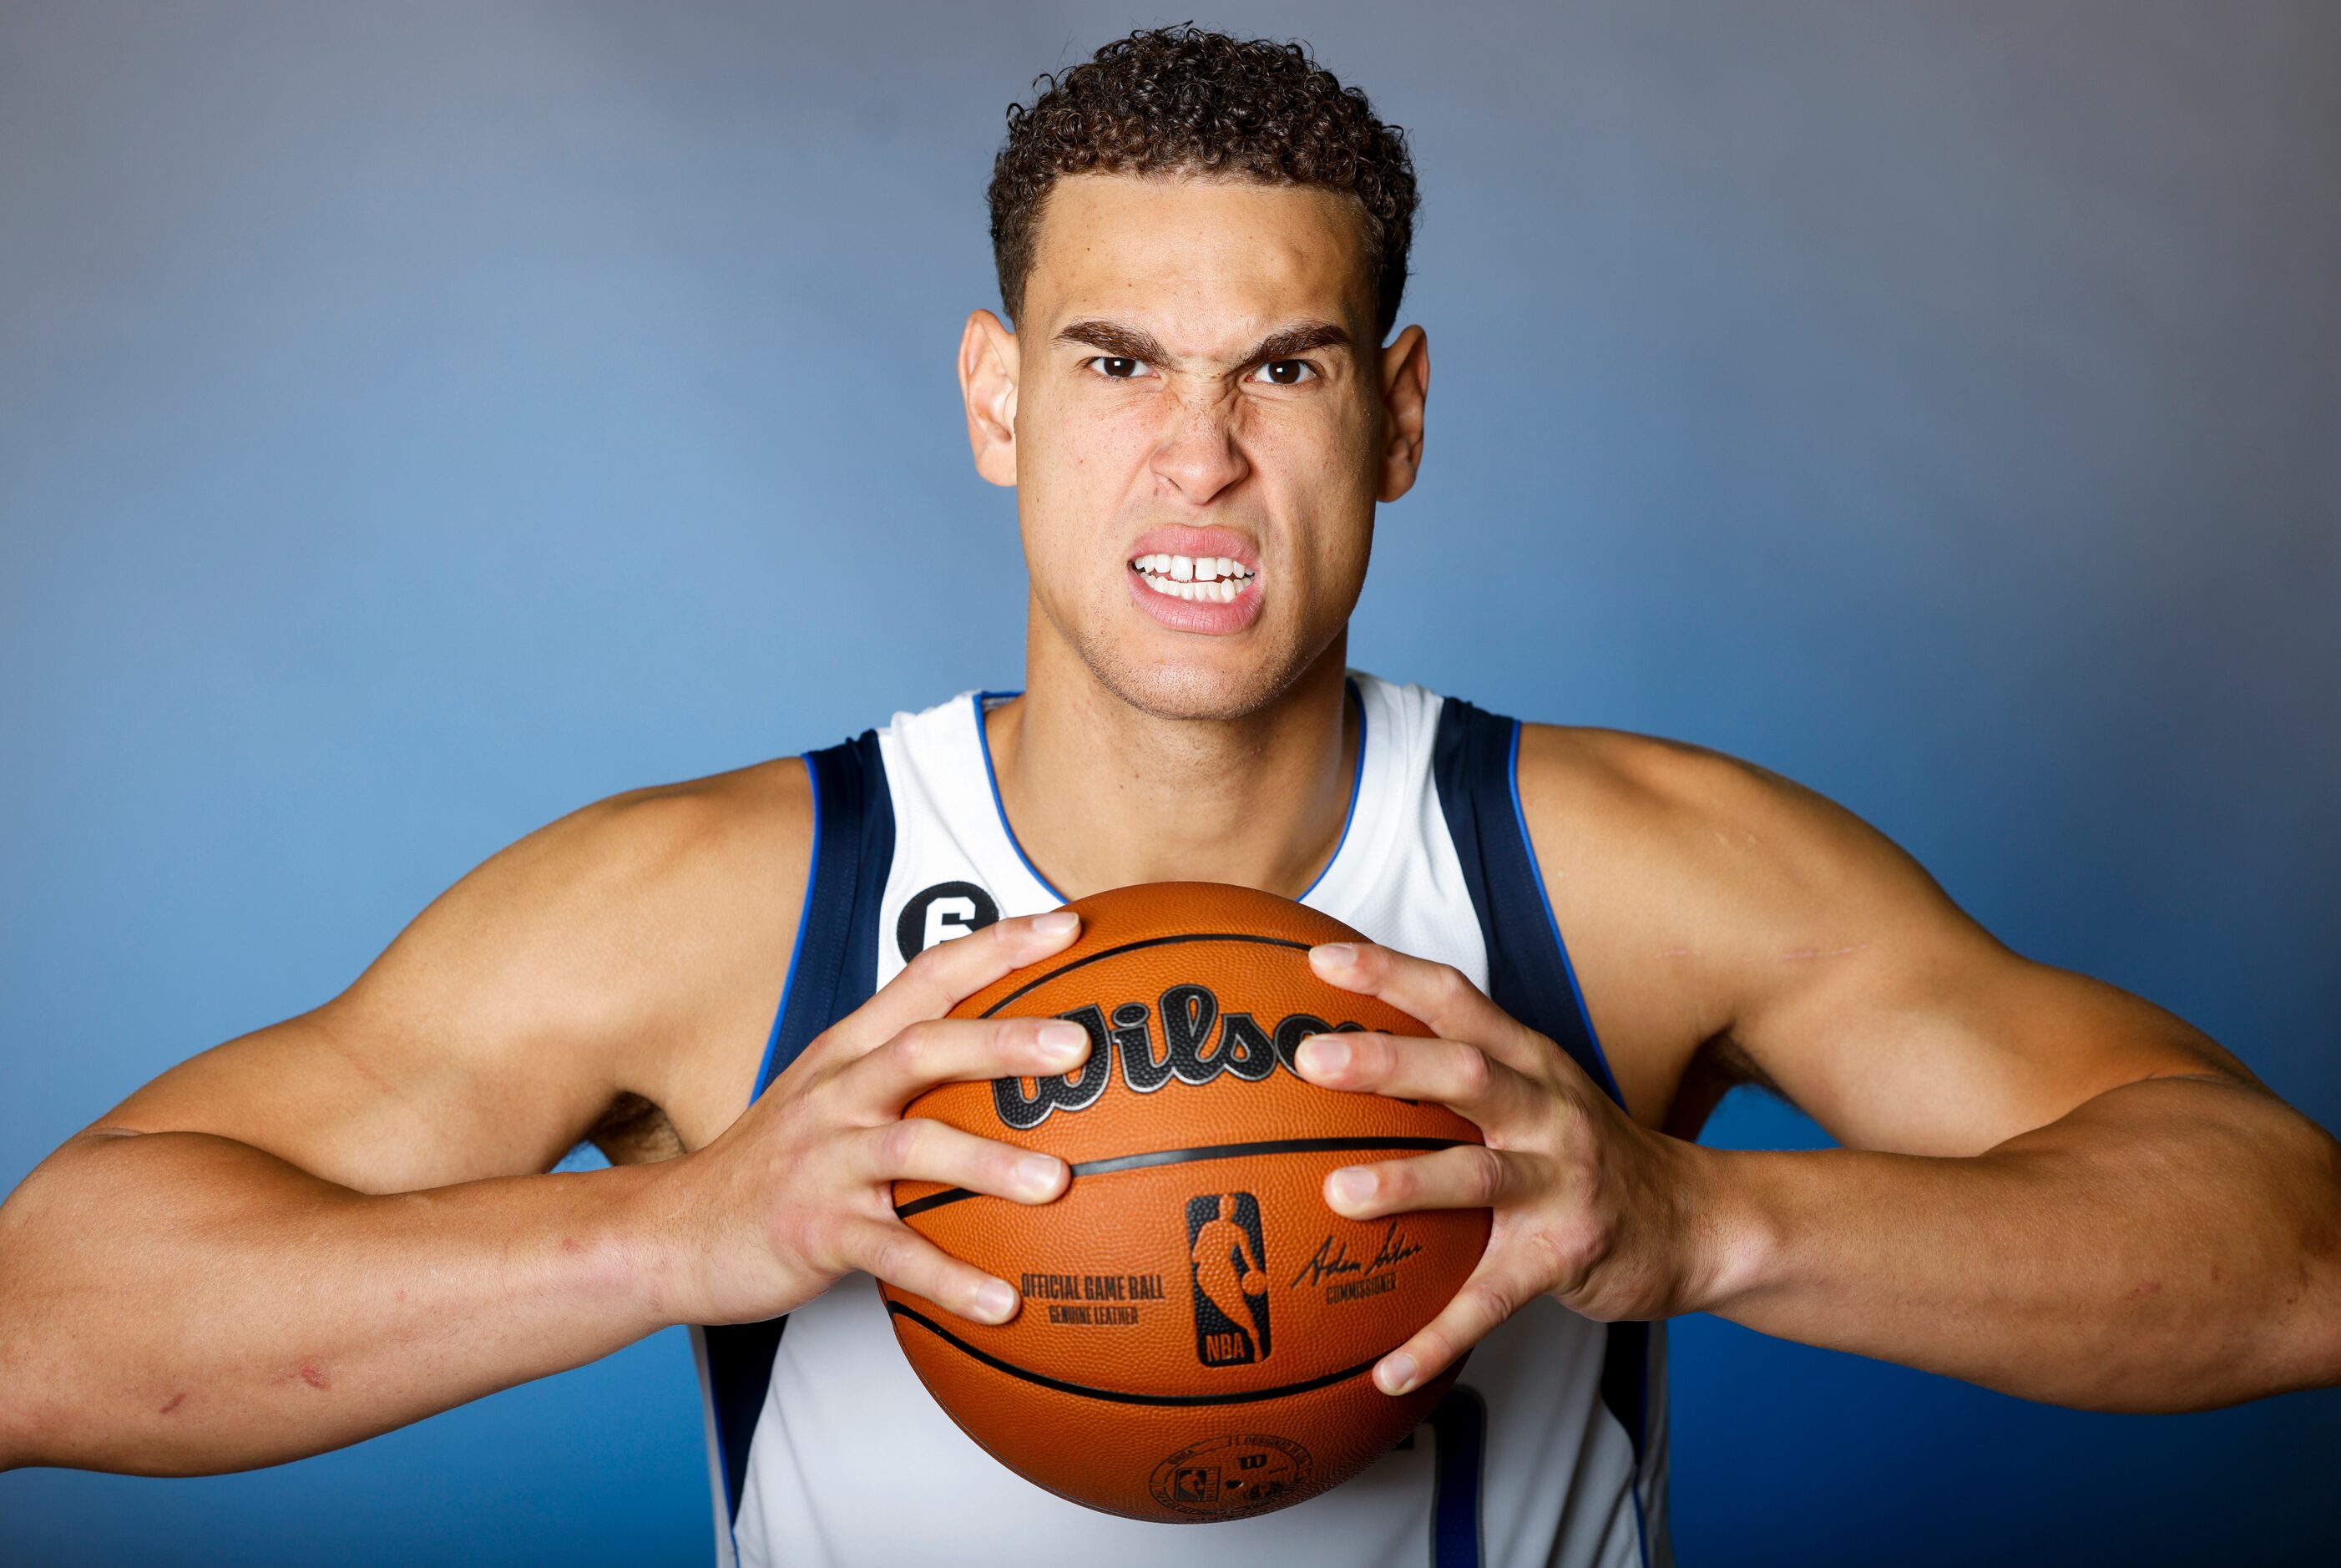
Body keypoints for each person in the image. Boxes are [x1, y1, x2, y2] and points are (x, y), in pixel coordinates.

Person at [2, 24, 2335, 1568]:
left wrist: (1703, 1224)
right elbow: (45, 1330)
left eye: (1285, 367)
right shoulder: (712, 909)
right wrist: (672, 1236)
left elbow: (2286, 1254)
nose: (1198, 453)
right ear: (995, 399)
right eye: (1115, 363)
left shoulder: (1632, 877)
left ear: (1396, 413)